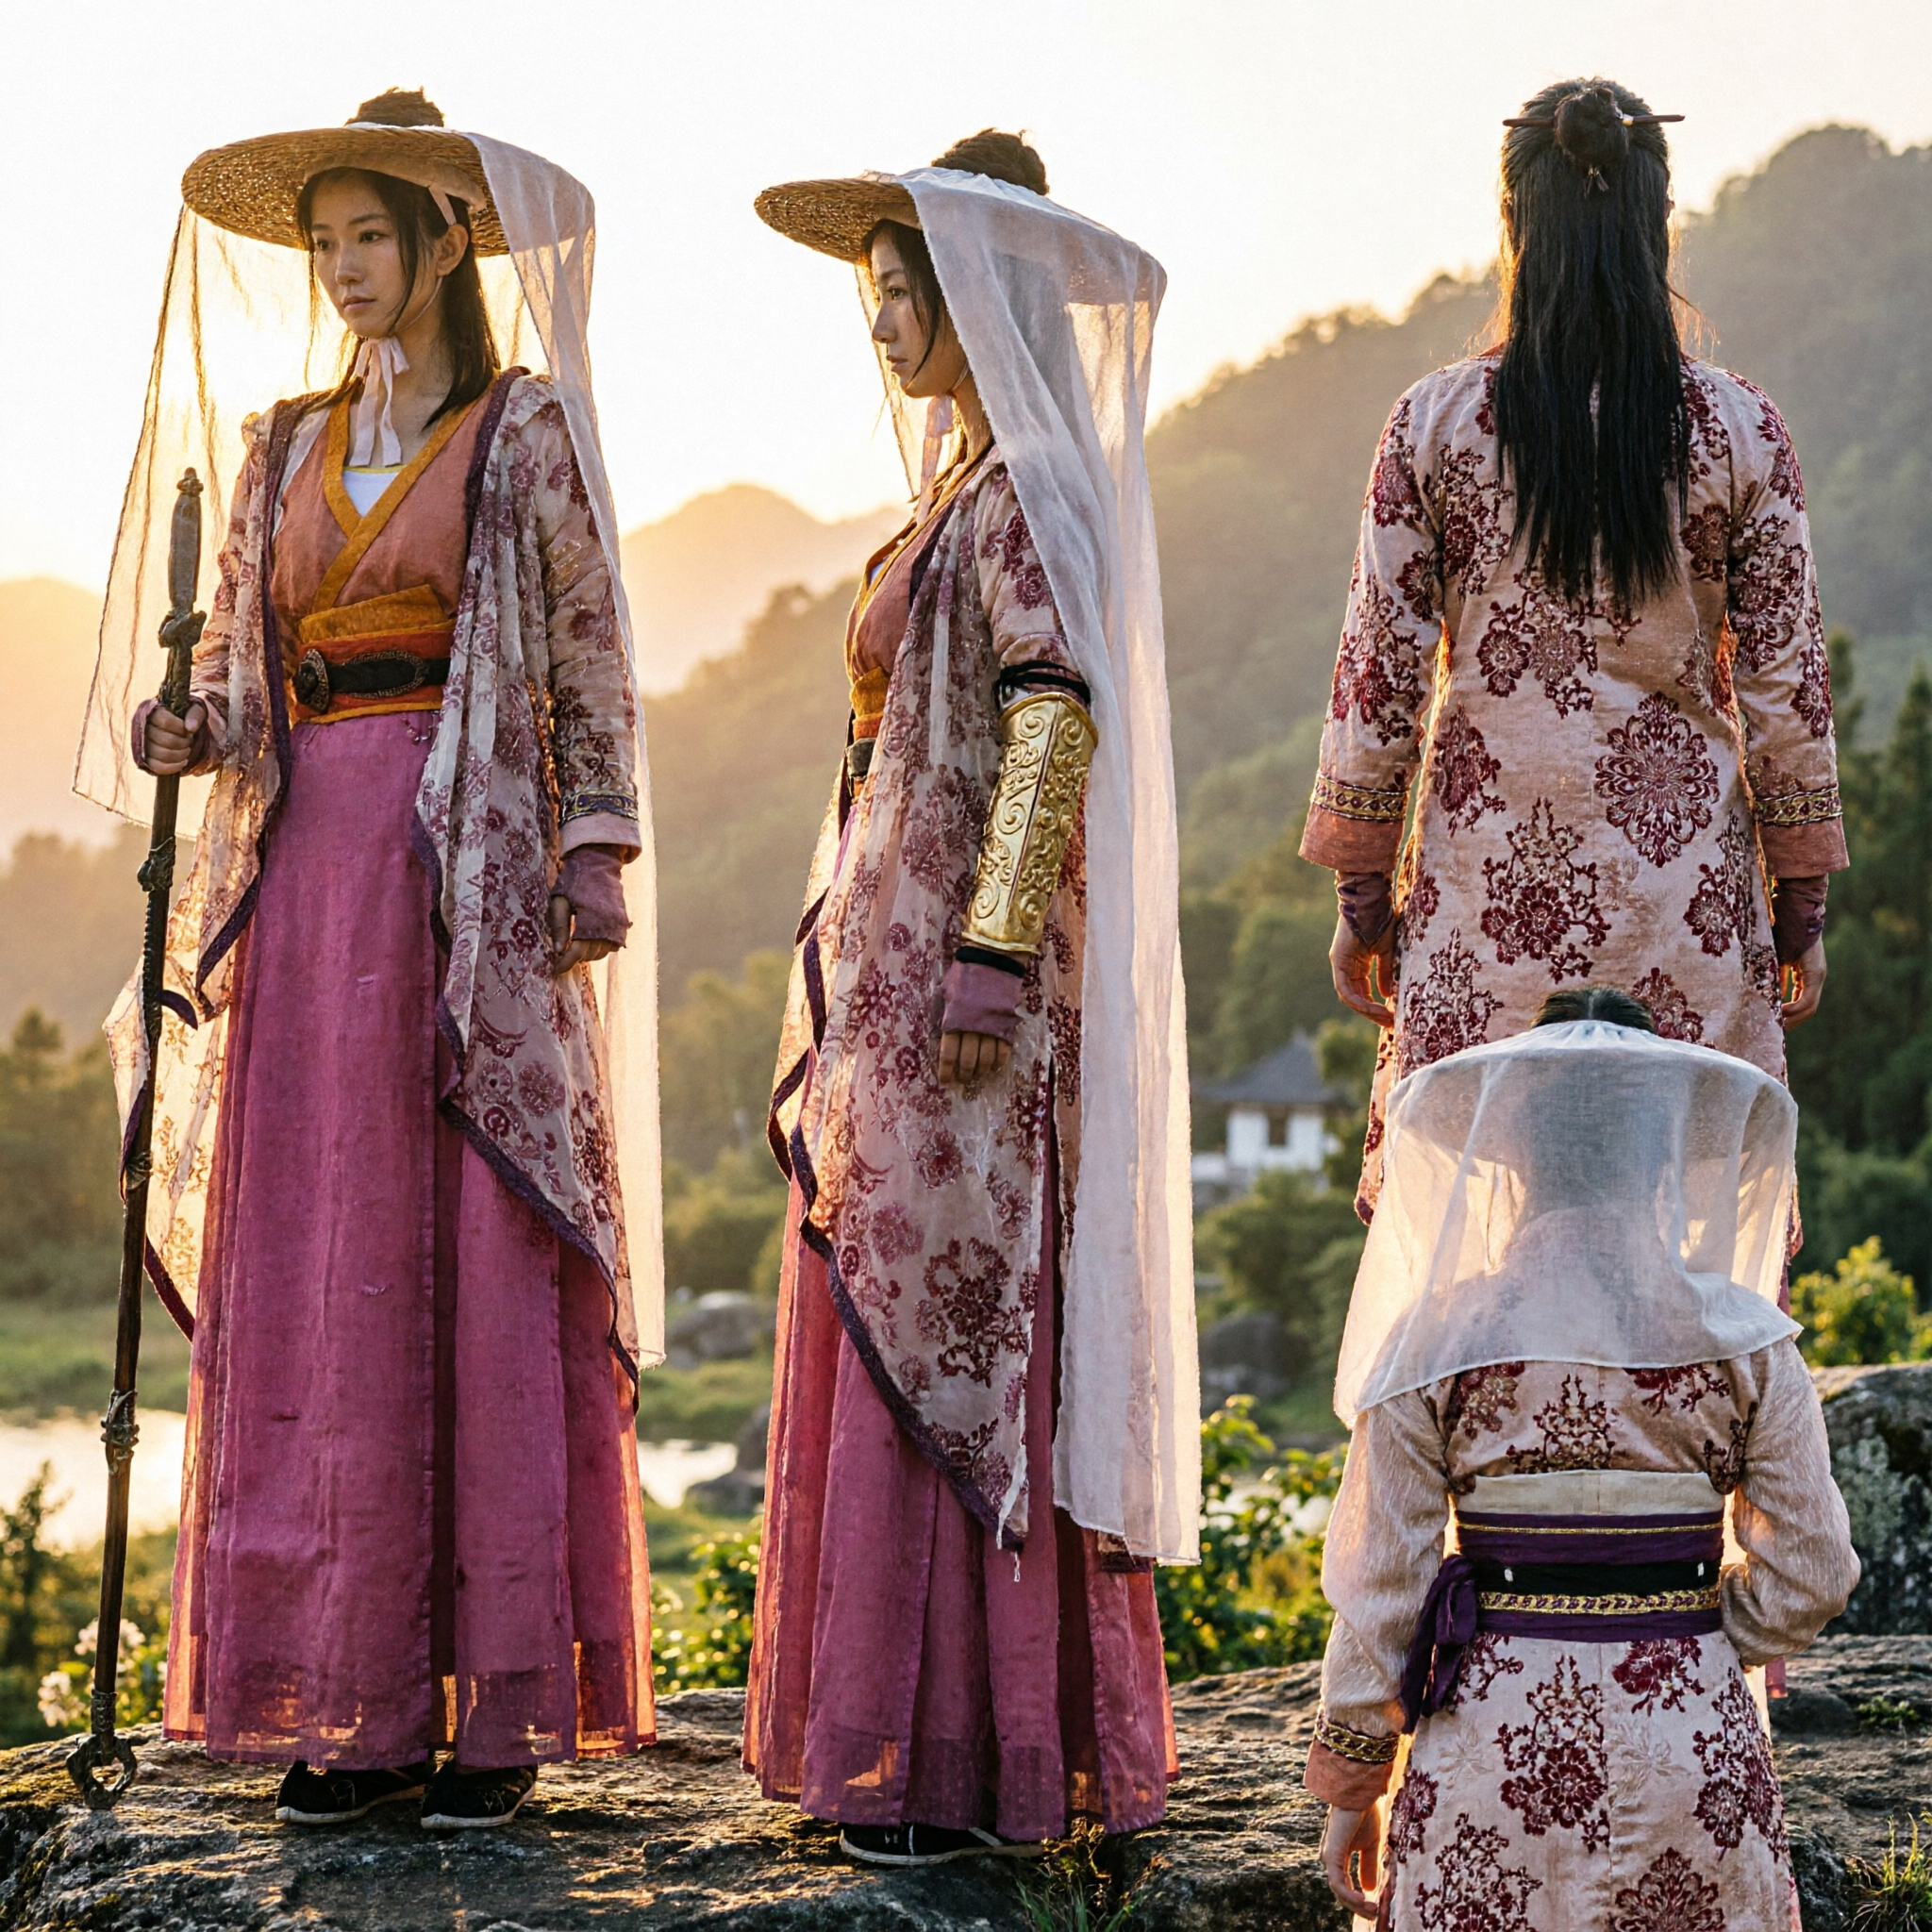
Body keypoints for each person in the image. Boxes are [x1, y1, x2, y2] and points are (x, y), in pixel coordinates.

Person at [78, 89, 661, 1829]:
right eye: (323, 240)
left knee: (464, 1253)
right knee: (320, 1256)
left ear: (439, 246)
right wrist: (187, 726)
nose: (342, 267)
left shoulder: (520, 430)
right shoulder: (276, 445)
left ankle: (481, 1716)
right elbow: (248, 673)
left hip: (458, 869)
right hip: (310, 861)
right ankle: (339, 1701)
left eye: (369, 236)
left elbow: (587, 644)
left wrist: (592, 842)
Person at [743, 132, 1198, 1865]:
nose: (880, 317)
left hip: (964, 995)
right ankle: (895, 1741)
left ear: (978, 300)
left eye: (906, 286)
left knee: (966, 1321)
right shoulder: (955, 489)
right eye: (872, 288)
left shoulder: (1019, 492)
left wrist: (993, 946)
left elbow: (1050, 709)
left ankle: (967, 1756)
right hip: (893, 974)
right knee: (890, 1302)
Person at [1302, 80, 1847, 1218]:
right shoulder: (1739, 430)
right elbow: (1787, 689)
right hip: (1681, 904)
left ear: (1513, 228)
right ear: (1655, 227)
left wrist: (1364, 904)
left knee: (1479, 1250)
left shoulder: (1433, 425)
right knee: (1674, 1258)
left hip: (1485, 904)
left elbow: (1377, 679)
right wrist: (1796, 913)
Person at [1305, 985, 1858, 1926]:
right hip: (1689, 1746)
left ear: (1512, 1156)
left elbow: (1379, 1589)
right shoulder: (1745, 1338)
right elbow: (1811, 1569)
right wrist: (1691, 1627)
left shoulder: (1438, 1335)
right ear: (1661, 1158)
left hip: (1488, 1747)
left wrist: (1352, 1786)